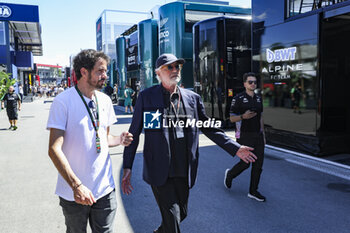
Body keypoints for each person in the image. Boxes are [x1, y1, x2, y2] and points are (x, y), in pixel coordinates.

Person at [122, 54, 257, 233]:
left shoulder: (192, 98)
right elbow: (134, 132)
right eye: (168, 67)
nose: (174, 70)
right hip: (159, 169)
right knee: (172, 219)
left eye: (177, 67)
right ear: (158, 73)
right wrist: (127, 166)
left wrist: (235, 147)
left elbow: (208, 127)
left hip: (183, 168)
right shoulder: (147, 97)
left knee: (180, 215)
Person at [47, 49, 133, 233]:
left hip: (104, 189)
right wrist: (76, 185)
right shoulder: (63, 101)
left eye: (106, 71)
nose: (105, 75)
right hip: (73, 192)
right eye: (100, 71)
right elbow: (54, 149)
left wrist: (119, 139)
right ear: (84, 72)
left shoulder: (105, 100)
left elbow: (104, 137)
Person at [224, 72, 266, 202]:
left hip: (257, 135)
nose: (253, 84)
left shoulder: (259, 98)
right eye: (250, 82)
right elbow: (231, 118)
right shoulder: (238, 98)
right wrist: (243, 116)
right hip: (244, 135)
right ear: (244, 84)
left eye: (254, 82)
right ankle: (230, 174)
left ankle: (253, 191)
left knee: (258, 165)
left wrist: (263, 135)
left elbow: (260, 117)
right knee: (246, 163)